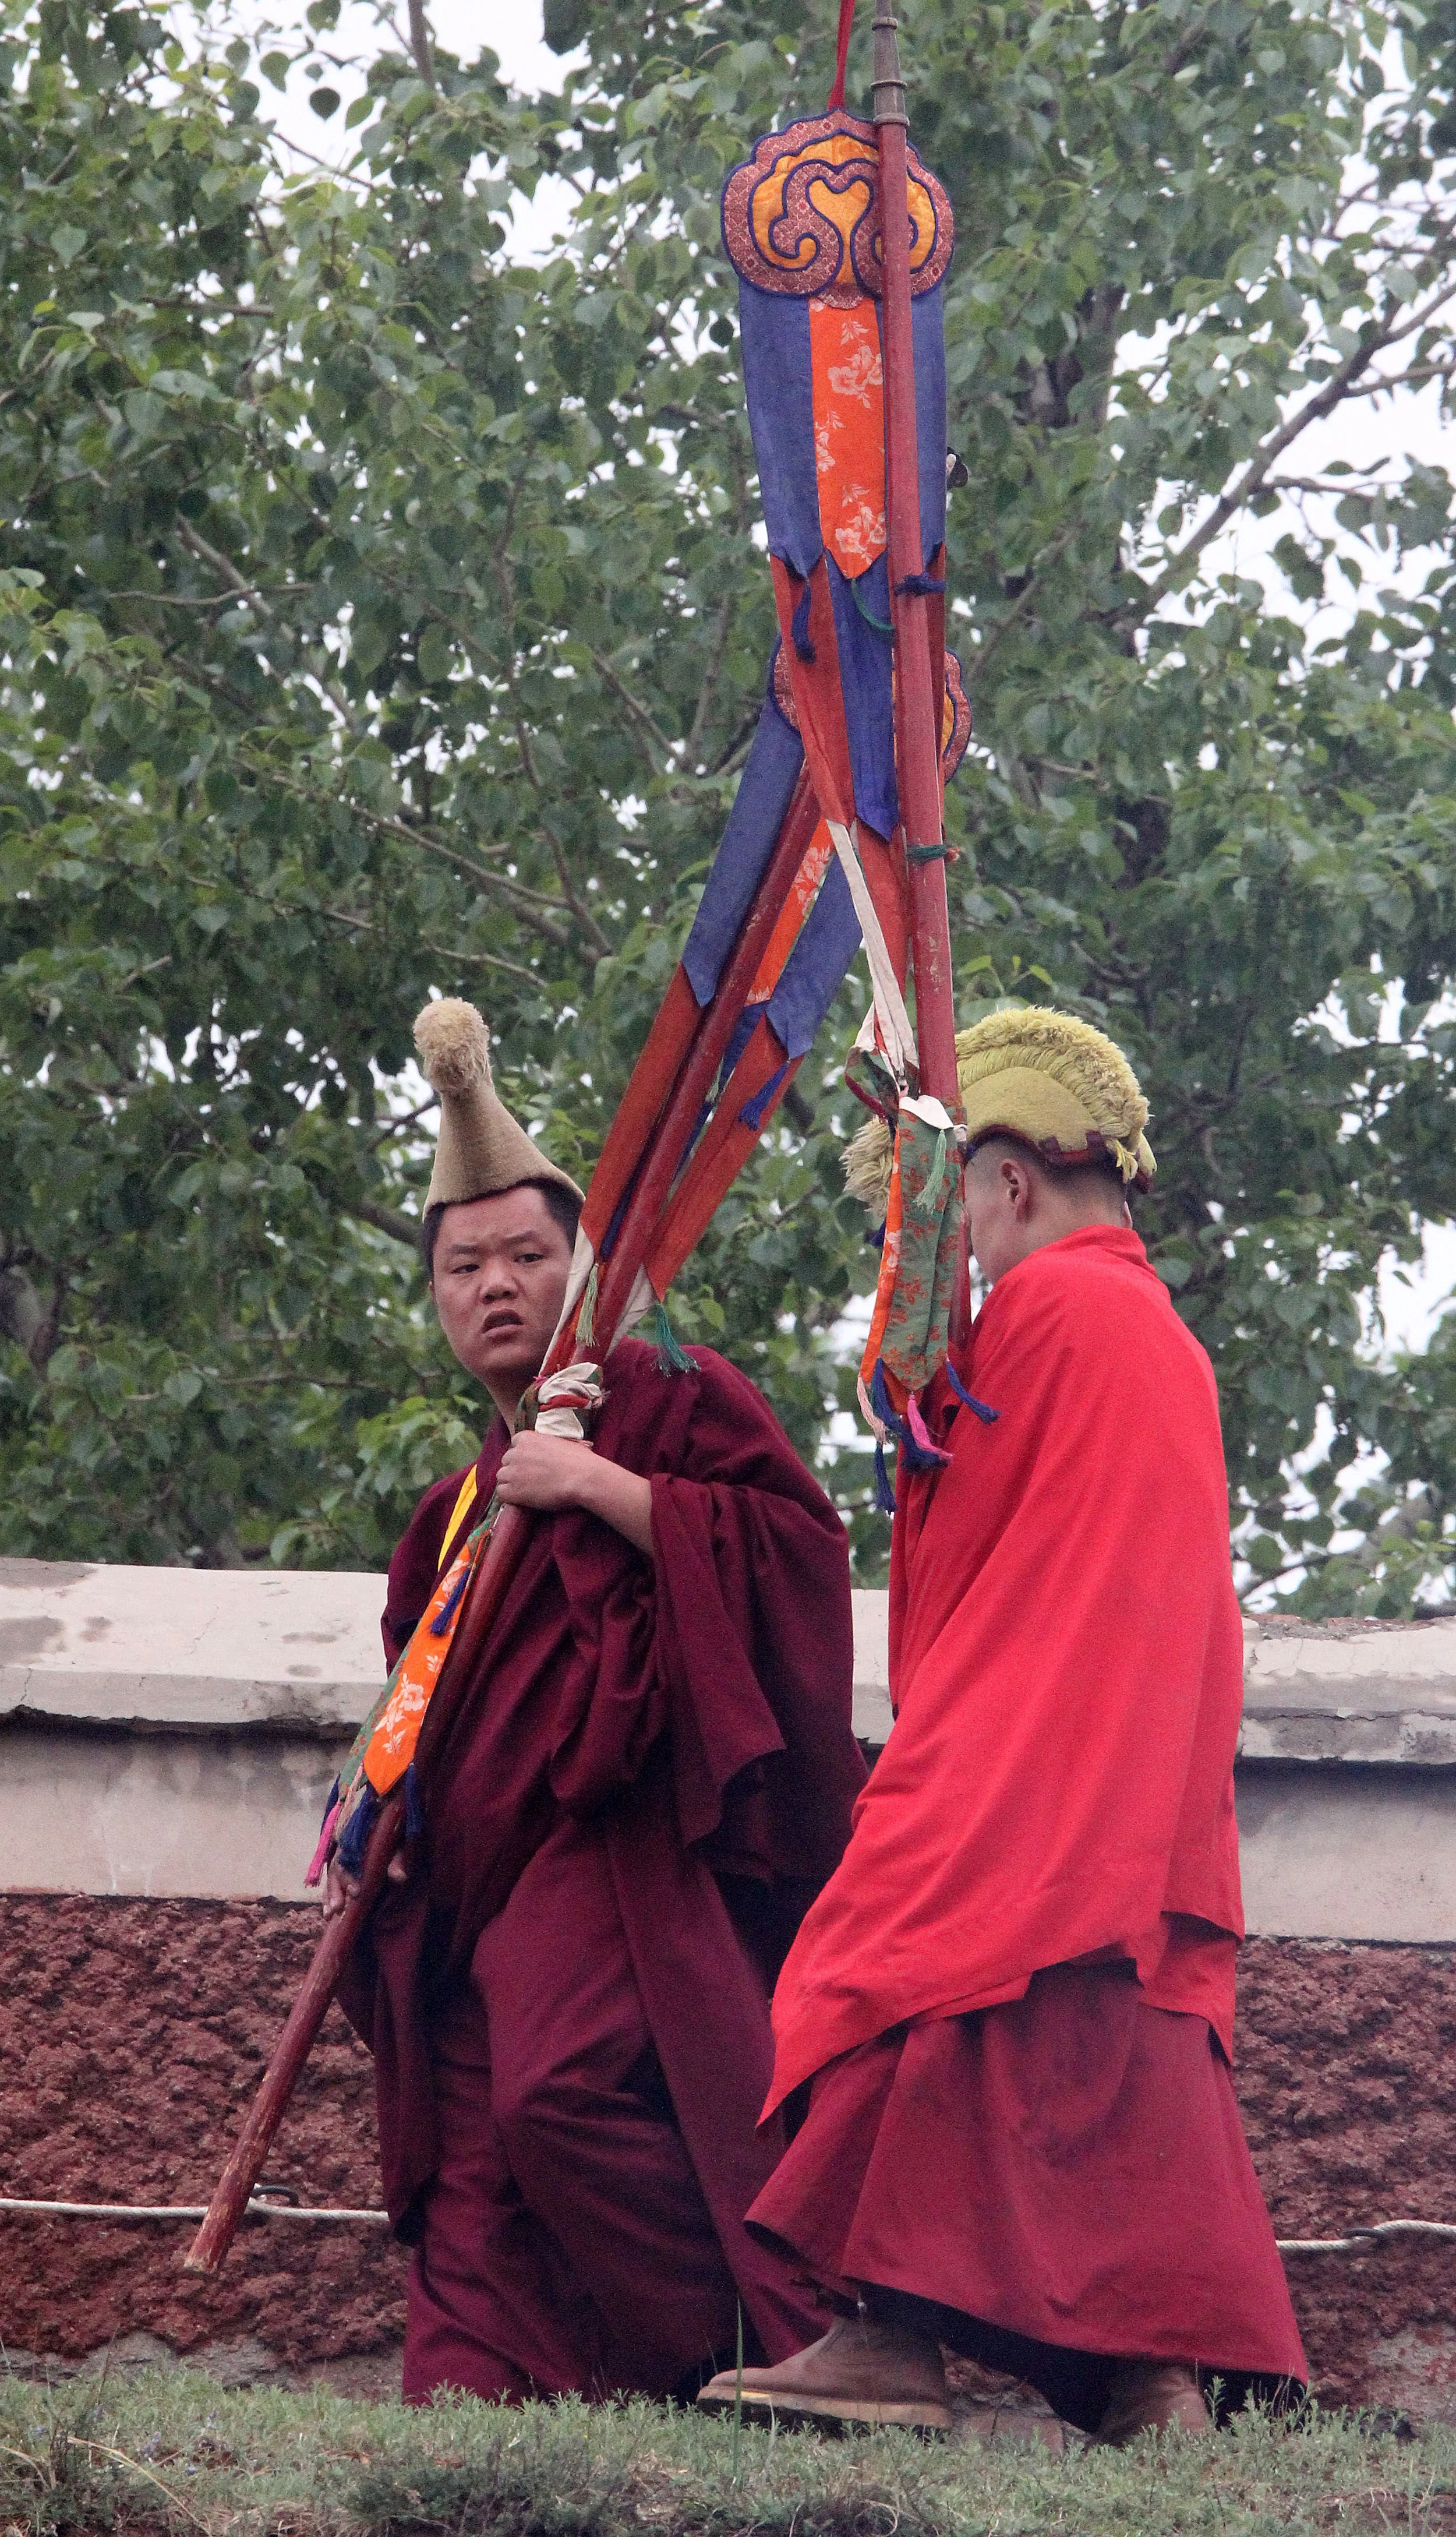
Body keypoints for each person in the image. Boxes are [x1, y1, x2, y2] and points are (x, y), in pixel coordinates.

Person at [699, 1006, 1306, 2443]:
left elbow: (957, 1557)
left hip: (1026, 1746)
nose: (956, 1250)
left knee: (896, 1958)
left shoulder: (1039, 1311)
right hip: (1137, 1776)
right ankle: (1147, 2376)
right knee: (1109, 2043)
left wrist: (917, 1381)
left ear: (1012, 1182)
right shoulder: (1159, 1331)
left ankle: (886, 2340)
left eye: (958, 1207)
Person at [327, 997, 866, 2407]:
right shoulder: (446, 1525)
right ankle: (476, 2412)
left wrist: (607, 1492)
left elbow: (801, 1561)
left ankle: (745, 2355)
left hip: (625, 1844)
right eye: (463, 1265)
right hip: (475, 1881)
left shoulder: (669, 1403)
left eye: (526, 1253)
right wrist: (354, 1835)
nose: (495, 1284)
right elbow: (420, 1722)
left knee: (554, 2092)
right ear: (435, 1297)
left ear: (584, 1270)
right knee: (470, 2149)